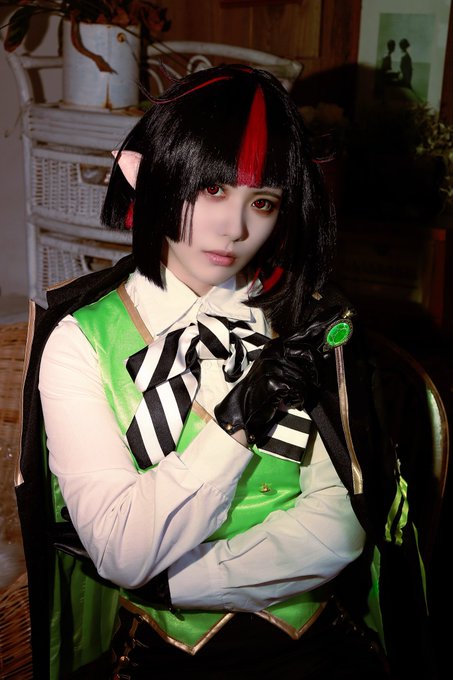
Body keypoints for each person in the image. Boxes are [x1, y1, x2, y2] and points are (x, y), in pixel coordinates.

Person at [17, 64, 434, 680]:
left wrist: (179, 581)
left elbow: (341, 526)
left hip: (317, 648)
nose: (236, 229)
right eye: (212, 189)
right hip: (159, 657)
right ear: (145, 175)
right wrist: (236, 425)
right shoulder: (78, 341)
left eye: (262, 202)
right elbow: (120, 549)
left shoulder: (310, 323)